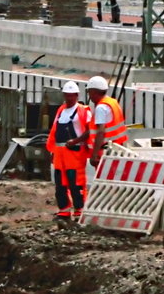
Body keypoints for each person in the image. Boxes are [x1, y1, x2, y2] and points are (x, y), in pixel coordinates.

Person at [46, 81, 92, 219]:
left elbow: (91, 130)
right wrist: (52, 150)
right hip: (60, 153)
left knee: (76, 183)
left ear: (77, 95)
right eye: (67, 95)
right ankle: (64, 210)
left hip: (75, 153)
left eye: (72, 96)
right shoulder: (61, 110)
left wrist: (76, 141)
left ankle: (79, 209)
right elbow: (54, 131)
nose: (69, 98)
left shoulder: (83, 111)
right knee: (60, 183)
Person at [85, 74, 127, 166]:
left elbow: (100, 131)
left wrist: (95, 154)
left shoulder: (101, 108)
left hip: (105, 151)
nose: (89, 95)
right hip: (118, 148)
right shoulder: (113, 102)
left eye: (89, 92)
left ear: (94, 91)